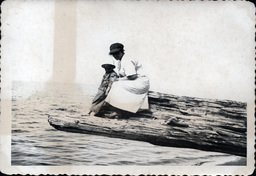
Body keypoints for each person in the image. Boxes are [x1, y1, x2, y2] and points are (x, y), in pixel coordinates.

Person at [104, 43, 150, 117]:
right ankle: (120, 111)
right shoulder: (121, 61)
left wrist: (118, 80)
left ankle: (118, 112)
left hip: (140, 82)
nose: (115, 55)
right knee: (115, 84)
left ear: (122, 51)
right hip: (137, 81)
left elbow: (132, 76)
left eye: (117, 53)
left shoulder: (127, 59)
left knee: (116, 85)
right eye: (113, 54)